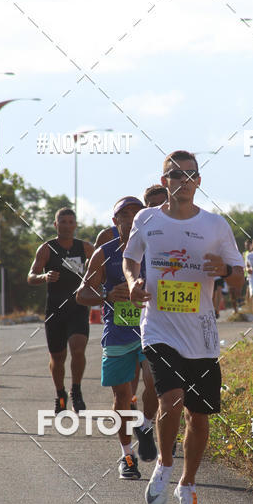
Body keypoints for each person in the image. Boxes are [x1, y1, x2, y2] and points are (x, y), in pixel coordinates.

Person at [123, 150, 244, 504]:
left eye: (190, 175)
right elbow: (131, 258)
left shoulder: (215, 226)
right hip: (159, 328)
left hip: (202, 336)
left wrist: (223, 269)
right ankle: (163, 463)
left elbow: (239, 280)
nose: (184, 181)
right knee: (170, 400)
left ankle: (187, 486)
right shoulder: (147, 219)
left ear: (199, 182)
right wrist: (132, 283)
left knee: (200, 416)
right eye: (176, 175)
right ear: (165, 182)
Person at [76, 196, 158, 479]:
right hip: (118, 332)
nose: (132, 217)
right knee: (122, 396)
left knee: (155, 382)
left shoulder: (157, 248)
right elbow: (81, 294)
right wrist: (106, 295)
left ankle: (146, 426)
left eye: (138, 213)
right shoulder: (104, 253)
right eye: (126, 214)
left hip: (153, 330)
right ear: (115, 221)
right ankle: (127, 456)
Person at [28, 208, 93, 414]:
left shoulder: (85, 248)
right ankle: (60, 393)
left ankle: (76, 390)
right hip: (55, 309)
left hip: (78, 307)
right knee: (57, 357)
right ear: (56, 225)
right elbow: (31, 276)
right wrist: (44, 277)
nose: (66, 225)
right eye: (62, 222)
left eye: (70, 222)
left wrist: (96, 283)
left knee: (78, 348)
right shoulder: (47, 249)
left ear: (75, 225)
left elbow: (102, 269)